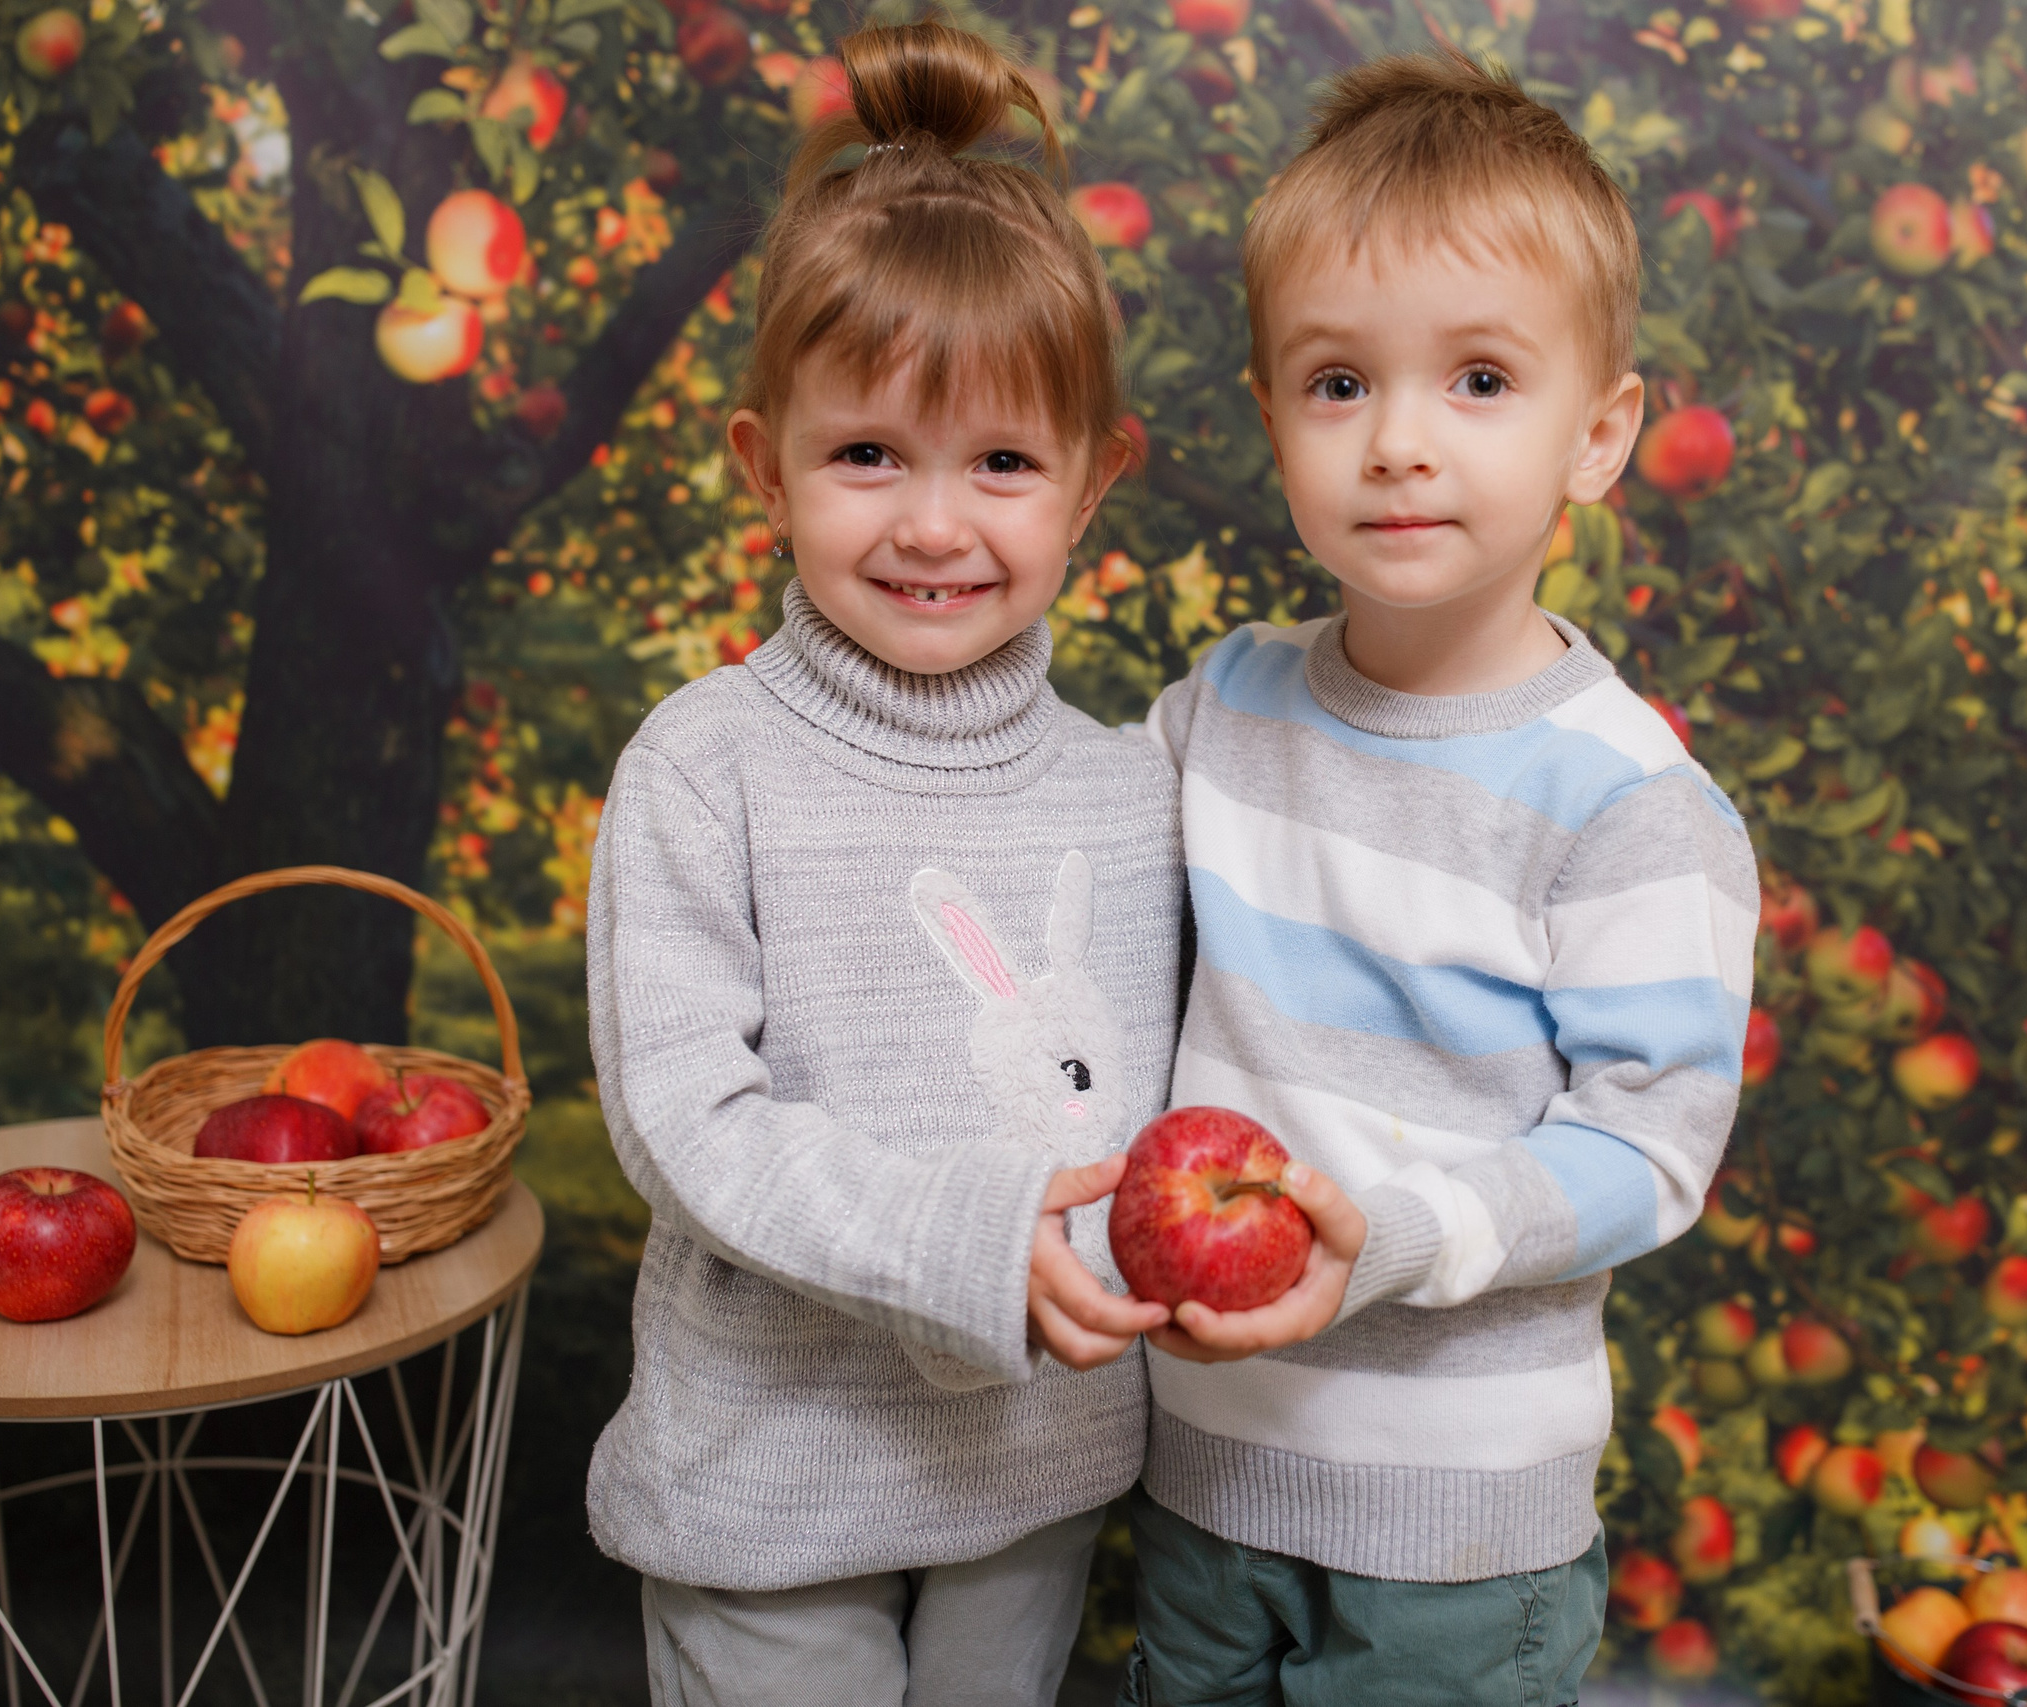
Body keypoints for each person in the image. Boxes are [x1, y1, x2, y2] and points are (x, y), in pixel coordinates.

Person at [1125, 50, 1758, 1706]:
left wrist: (1395, 1238)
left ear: (1598, 435)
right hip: (1201, 1470)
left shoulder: (1623, 801)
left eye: (1480, 379)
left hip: (1460, 1536)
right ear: (1273, 417)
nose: (1399, 442)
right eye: (1339, 383)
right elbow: (1073, 910)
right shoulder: (1220, 711)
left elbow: (1648, 1148)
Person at [582, 23, 1182, 1706]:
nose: (932, 523)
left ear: (1093, 483)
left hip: (1036, 1464)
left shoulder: (1133, 794)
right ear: (763, 467)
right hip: (775, 1471)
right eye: (867, 455)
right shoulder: (705, 768)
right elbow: (686, 1120)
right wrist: (961, 1236)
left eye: (1003, 461)